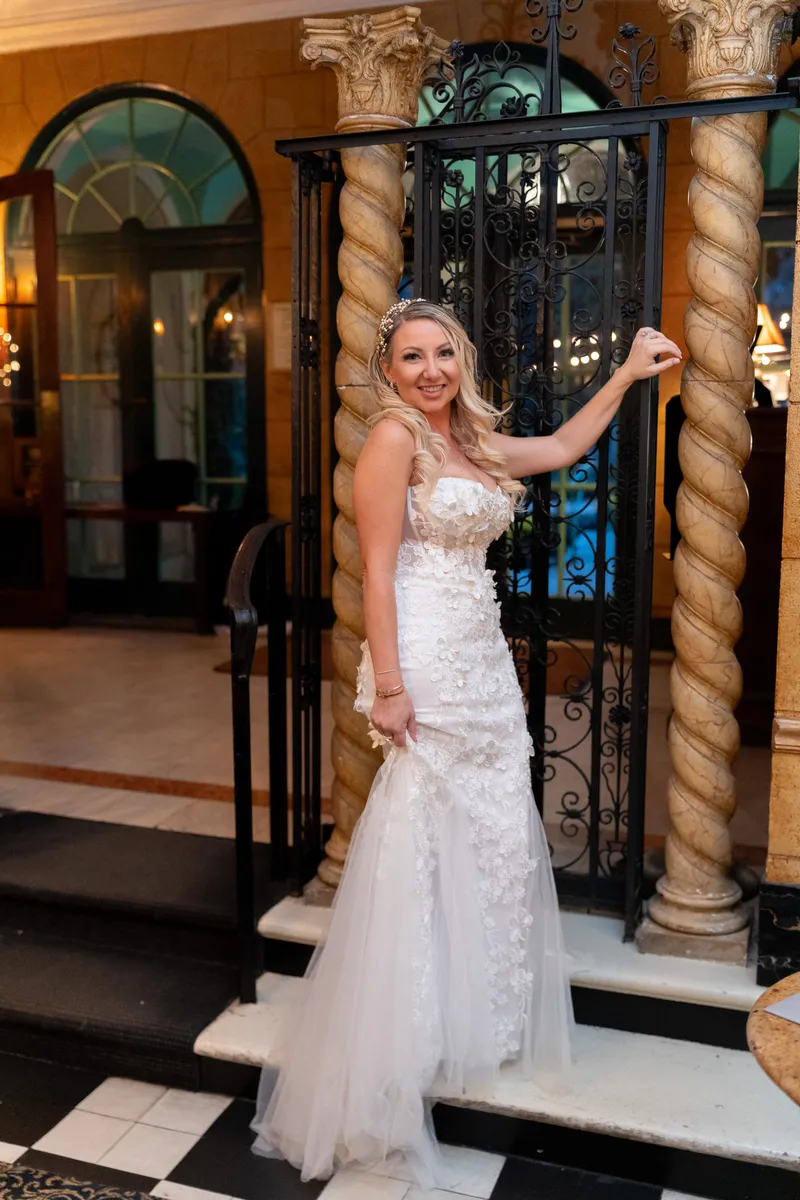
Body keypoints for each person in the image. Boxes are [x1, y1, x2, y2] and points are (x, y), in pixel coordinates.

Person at [251, 300, 682, 1188]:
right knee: (419, 834)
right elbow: (374, 571)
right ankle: (396, 1046)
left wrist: (630, 375)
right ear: (389, 371)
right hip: (426, 662)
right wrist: (395, 687)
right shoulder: (391, 443)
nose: (432, 369)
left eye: (444, 352)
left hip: (480, 659)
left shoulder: (473, 446)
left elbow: (562, 449)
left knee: (486, 832)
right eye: (412, 357)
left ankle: (466, 1015)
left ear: (463, 360)